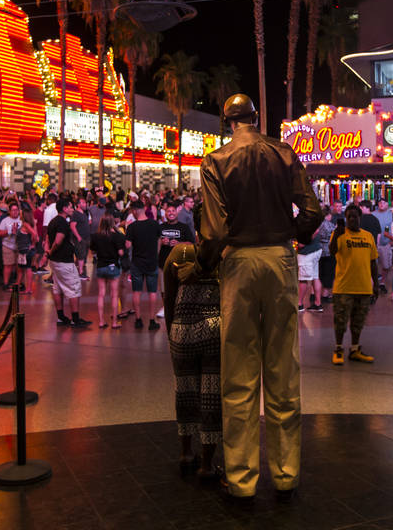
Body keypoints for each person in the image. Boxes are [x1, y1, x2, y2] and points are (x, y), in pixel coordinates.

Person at [191, 93, 323, 501]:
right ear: (256, 117)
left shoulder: (215, 161)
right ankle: (286, 474)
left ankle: (243, 479)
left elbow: (212, 232)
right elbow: (313, 211)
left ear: (227, 121)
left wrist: (205, 265)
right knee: (284, 366)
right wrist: (293, 238)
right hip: (281, 259)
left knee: (239, 374)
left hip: (239, 263)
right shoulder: (284, 153)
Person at [162, 241, 223, 481]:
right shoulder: (223, 252)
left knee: (184, 392)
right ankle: (207, 465)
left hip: (182, 328)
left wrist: (171, 332)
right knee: (211, 396)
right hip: (213, 329)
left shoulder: (180, 252)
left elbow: (169, 296)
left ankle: (186, 454)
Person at [329, 204, 377, 365]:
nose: (351, 219)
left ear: (359, 218)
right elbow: (332, 251)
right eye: (348, 216)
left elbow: (373, 262)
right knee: (340, 321)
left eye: (354, 216)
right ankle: (338, 349)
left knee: (358, 321)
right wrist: (337, 233)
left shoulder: (368, 236)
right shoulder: (340, 235)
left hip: (363, 286)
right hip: (344, 287)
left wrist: (376, 284)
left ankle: (355, 349)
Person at [46, 199, 91, 327]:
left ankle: (61, 317)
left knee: (58, 288)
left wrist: (48, 253)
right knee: (74, 288)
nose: (72, 209)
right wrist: (50, 251)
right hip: (64, 261)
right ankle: (75, 319)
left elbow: (47, 239)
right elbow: (58, 240)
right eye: (71, 207)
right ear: (65, 209)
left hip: (55, 261)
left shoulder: (53, 222)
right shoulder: (62, 223)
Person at [125, 203, 162, 331]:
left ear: (135, 211)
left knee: (137, 292)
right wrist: (156, 253)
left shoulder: (132, 226)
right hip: (152, 262)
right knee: (152, 292)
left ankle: (138, 320)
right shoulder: (154, 224)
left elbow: (128, 245)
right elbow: (159, 240)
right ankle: (152, 321)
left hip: (137, 263)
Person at [90, 215, 126, 328]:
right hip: (113, 267)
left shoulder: (95, 236)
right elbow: (120, 253)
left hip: (101, 266)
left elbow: (92, 251)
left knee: (101, 294)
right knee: (114, 295)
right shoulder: (117, 236)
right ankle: (114, 322)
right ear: (112, 223)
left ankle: (101, 321)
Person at [296, 229, 324, 312]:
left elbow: (315, 231)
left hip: (307, 252)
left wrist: (303, 242)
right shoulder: (313, 217)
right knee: (315, 277)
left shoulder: (306, 218)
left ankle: (299, 304)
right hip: (316, 249)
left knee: (303, 279)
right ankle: (318, 304)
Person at [0, 201, 23, 289]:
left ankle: (18, 283)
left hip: (20, 246)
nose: (15, 212)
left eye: (17, 210)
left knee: (19, 265)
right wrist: (10, 231)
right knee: (8, 265)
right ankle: (6, 283)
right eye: (13, 210)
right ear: (9, 211)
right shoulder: (5, 220)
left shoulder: (22, 220)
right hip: (8, 245)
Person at [73, 197, 92, 279]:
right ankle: (80, 272)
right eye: (83, 203)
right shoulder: (76, 214)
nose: (85, 204)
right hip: (80, 238)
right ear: (78, 204)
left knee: (82, 256)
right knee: (80, 256)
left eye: (85, 203)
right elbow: (72, 226)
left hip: (86, 238)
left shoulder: (84, 213)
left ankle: (78, 271)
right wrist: (78, 237)